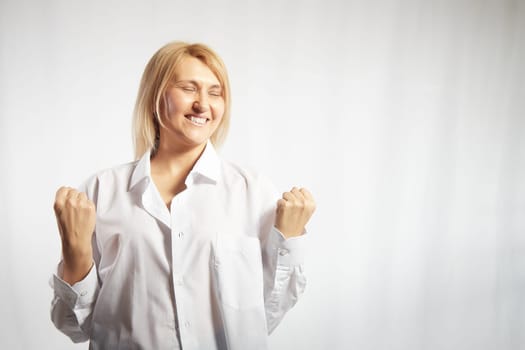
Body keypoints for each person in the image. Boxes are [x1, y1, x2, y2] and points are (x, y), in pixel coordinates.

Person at [50, 41, 315, 350]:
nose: (203, 104)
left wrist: (289, 241)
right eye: (189, 89)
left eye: (214, 93)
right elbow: (74, 327)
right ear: (154, 98)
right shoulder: (101, 192)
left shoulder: (253, 192)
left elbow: (264, 317)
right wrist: (75, 249)